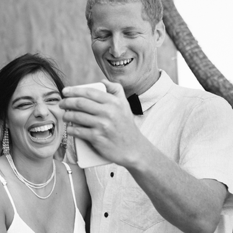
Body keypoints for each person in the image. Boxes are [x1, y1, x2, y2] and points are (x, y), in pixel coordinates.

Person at [59, 0, 233, 232]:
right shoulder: (87, 116)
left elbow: (203, 217)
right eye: (103, 35)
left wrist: (132, 145)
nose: (117, 49)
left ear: (158, 34)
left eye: (130, 33)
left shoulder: (206, 110)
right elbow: (71, 214)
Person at [0, 53, 91, 233]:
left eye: (52, 99)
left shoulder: (80, 182)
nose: (42, 111)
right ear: (4, 120)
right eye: (24, 104)